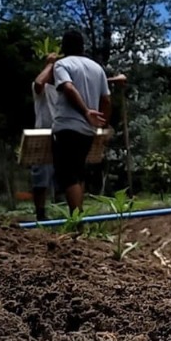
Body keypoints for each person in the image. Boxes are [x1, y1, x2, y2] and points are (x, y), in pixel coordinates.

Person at [46, 30, 111, 212]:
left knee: (67, 175)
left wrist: (85, 111)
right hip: (87, 131)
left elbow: (68, 87)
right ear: (82, 47)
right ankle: (79, 220)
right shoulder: (96, 68)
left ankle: (77, 221)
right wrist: (101, 124)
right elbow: (106, 100)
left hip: (67, 127)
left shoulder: (62, 64)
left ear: (63, 47)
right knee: (77, 173)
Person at [30, 52, 58, 223]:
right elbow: (39, 82)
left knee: (68, 177)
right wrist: (50, 63)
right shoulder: (41, 88)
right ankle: (40, 214)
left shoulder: (64, 88)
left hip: (61, 133)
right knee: (40, 178)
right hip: (43, 133)